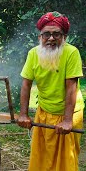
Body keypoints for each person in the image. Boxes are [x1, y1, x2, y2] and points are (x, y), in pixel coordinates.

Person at [17, 11, 84, 171]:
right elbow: (26, 85)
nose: (51, 38)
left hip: (68, 113)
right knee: (41, 156)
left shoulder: (71, 53)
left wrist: (68, 121)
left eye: (56, 34)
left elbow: (71, 88)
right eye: (46, 34)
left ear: (64, 36)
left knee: (64, 162)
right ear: (40, 36)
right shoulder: (33, 53)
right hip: (44, 111)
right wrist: (23, 114)